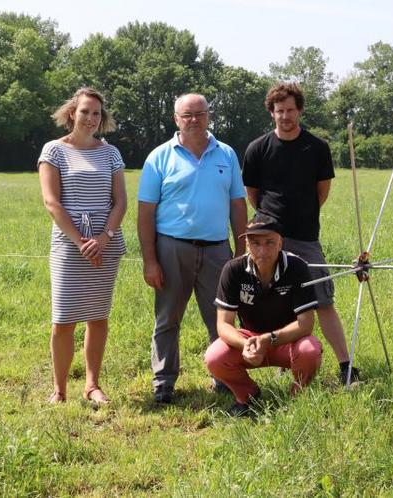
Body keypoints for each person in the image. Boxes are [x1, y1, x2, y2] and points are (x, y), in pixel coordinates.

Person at [242, 82, 357, 385]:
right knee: (273, 300)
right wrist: (270, 224)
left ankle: (346, 365)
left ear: (300, 111)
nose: (285, 116)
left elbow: (322, 192)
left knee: (322, 300)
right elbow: (252, 194)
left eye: (290, 110)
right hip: (267, 239)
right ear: (272, 113)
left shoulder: (316, 148)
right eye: (279, 111)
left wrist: (300, 217)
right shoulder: (257, 149)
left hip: (306, 237)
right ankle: (282, 357)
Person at [137, 93, 248, 403]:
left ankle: (224, 375)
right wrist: (150, 260)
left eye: (200, 113)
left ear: (209, 115)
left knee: (221, 318)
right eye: (188, 115)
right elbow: (145, 211)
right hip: (172, 248)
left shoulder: (226, 154)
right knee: (168, 318)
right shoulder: (159, 157)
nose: (195, 119)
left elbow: (237, 205)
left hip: (217, 251)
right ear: (177, 120)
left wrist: (240, 254)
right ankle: (164, 382)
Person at [38, 87, 127, 404]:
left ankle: (92, 385)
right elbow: (52, 203)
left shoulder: (111, 153)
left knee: (98, 316)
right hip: (69, 245)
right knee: (63, 320)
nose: (91, 118)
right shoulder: (53, 151)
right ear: (72, 113)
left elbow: (120, 203)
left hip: (105, 244)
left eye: (96, 113)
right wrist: (81, 242)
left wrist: (103, 238)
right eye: (85, 111)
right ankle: (59, 389)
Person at [205, 213, 322, 416]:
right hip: (249, 338)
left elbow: (306, 324)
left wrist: (269, 339)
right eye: (255, 243)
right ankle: (247, 395)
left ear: (280, 243)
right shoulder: (233, 270)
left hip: (287, 340)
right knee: (214, 356)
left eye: (270, 242)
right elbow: (223, 324)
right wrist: (246, 345)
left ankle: (296, 398)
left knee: (310, 350)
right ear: (247, 245)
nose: (263, 250)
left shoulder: (297, 267)